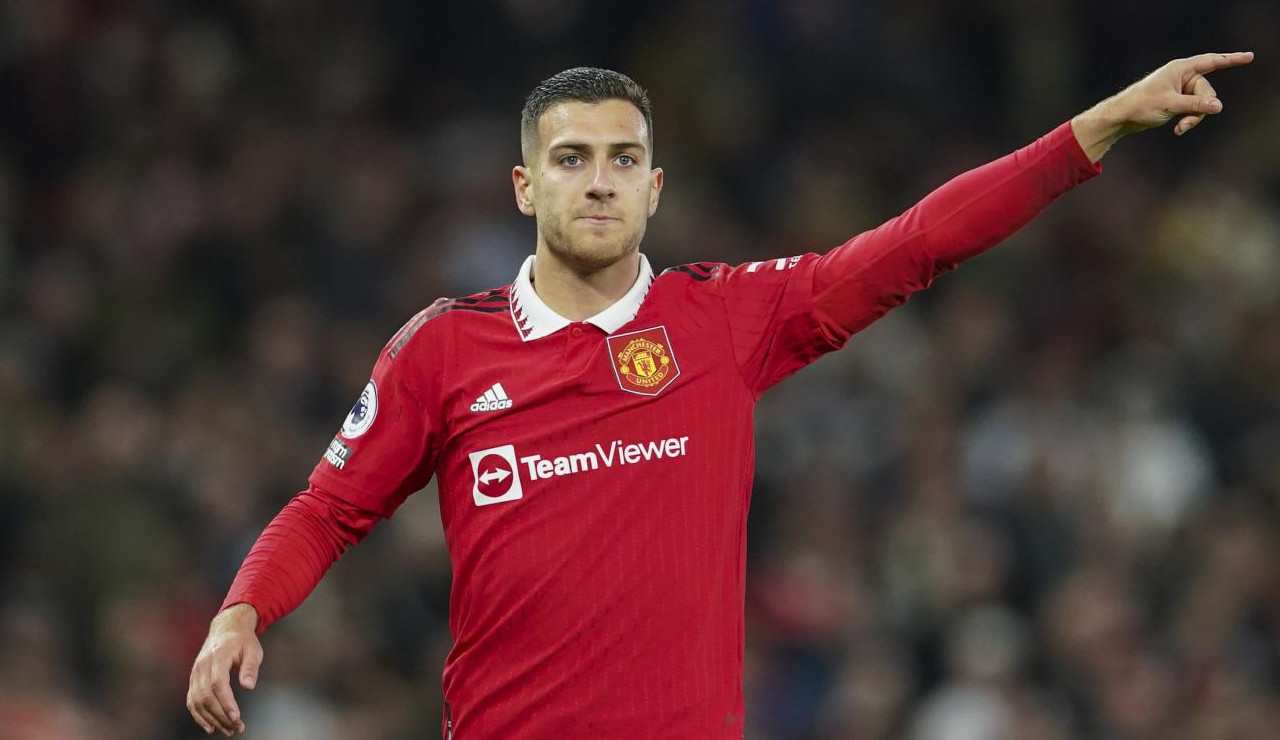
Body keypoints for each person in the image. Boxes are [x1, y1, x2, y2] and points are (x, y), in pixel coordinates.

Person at [187, 53, 1254, 738]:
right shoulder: (443, 350)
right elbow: (329, 508)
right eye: (570, 158)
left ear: (654, 188)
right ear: (525, 185)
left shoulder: (723, 320)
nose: (597, 180)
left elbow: (914, 245)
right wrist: (242, 611)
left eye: (622, 159)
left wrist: (1094, 129)